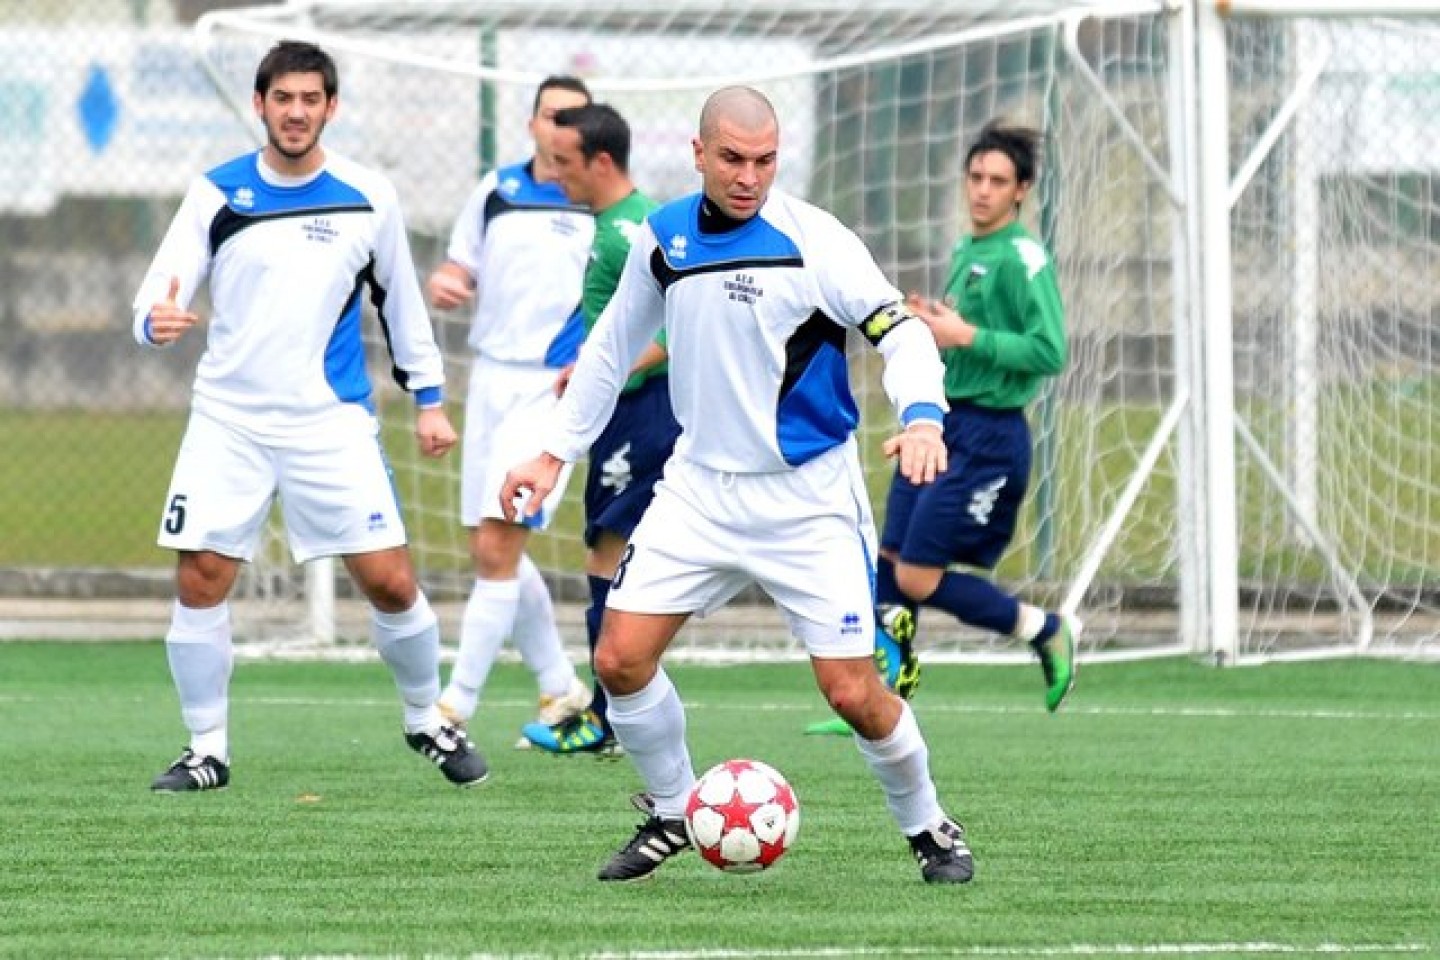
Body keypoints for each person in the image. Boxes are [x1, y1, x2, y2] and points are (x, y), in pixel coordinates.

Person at [502, 86, 974, 885]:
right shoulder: (665, 238)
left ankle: (929, 825)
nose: (748, 175)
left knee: (852, 693)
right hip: (698, 489)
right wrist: (552, 454)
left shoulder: (816, 241)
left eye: (763, 160)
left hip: (807, 497)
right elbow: (611, 351)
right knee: (618, 659)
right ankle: (670, 809)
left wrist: (924, 417)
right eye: (731, 158)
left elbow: (901, 332)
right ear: (697, 153)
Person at [132, 40, 486, 792]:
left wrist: (429, 400)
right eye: (282, 98)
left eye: (310, 99)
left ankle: (427, 718)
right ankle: (207, 750)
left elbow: (402, 304)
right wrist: (152, 320)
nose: (296, 112)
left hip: (330, 423)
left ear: (330, 107)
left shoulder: (368, 196)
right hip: (229, 419)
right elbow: (159, 290)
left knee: (389, 582)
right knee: (201, 576)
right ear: (259, 105)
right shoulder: (217, 193)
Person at [877, 119, 1079, 713]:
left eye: (998, 180)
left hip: (989, 436)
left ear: (1022, 190)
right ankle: (885, 698)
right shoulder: (971, 249)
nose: (983, 189)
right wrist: (936, 320)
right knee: (887, 559)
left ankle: (1043, 628)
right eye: (975, 177)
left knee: (916, 577)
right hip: (943, 423)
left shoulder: (1023, 257)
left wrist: (964, 334)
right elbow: (969, 332)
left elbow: (1049, 350)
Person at [427, 76, 596, 746]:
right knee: (491, 549)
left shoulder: (600, 204)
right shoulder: (496, 190)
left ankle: (452, 709)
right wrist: (449, 283)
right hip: (490, 379)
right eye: (553, 116)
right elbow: (458, 268)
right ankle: (560, 687)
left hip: (551, 389)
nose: (561, 129)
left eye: (575, 119)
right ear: (531, 123)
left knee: (498, 544)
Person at [517, 103, 679, 757]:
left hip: (645, 416)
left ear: (601, 162)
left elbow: (671, 336)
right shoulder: (619, 224)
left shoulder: (629, 233)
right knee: (614, 560)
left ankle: (608, 719)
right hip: (622, 412)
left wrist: (601, 370)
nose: (554, 176)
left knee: (608, 560)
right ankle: (614, 710)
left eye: (563, 163)